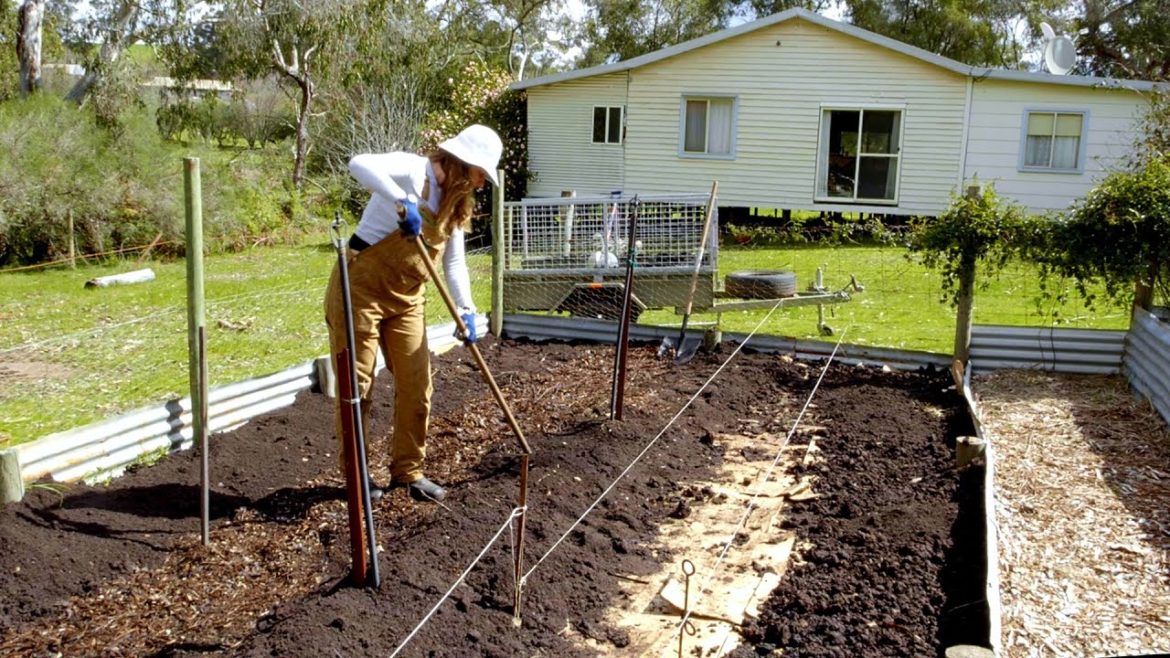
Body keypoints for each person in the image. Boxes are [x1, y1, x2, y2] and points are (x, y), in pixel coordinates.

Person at [324, 124, 503, 503]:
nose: (480, 183)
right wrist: (401, 201)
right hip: (360, 290)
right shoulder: (412, 169)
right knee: (358, 386)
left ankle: (408, 471)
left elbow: (454, 263)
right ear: (461, 163)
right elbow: (358, 163)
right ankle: (356, 476)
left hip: (407, 298)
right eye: (479, 174)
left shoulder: (455, 203)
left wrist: (466, 309)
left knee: (417, 384)